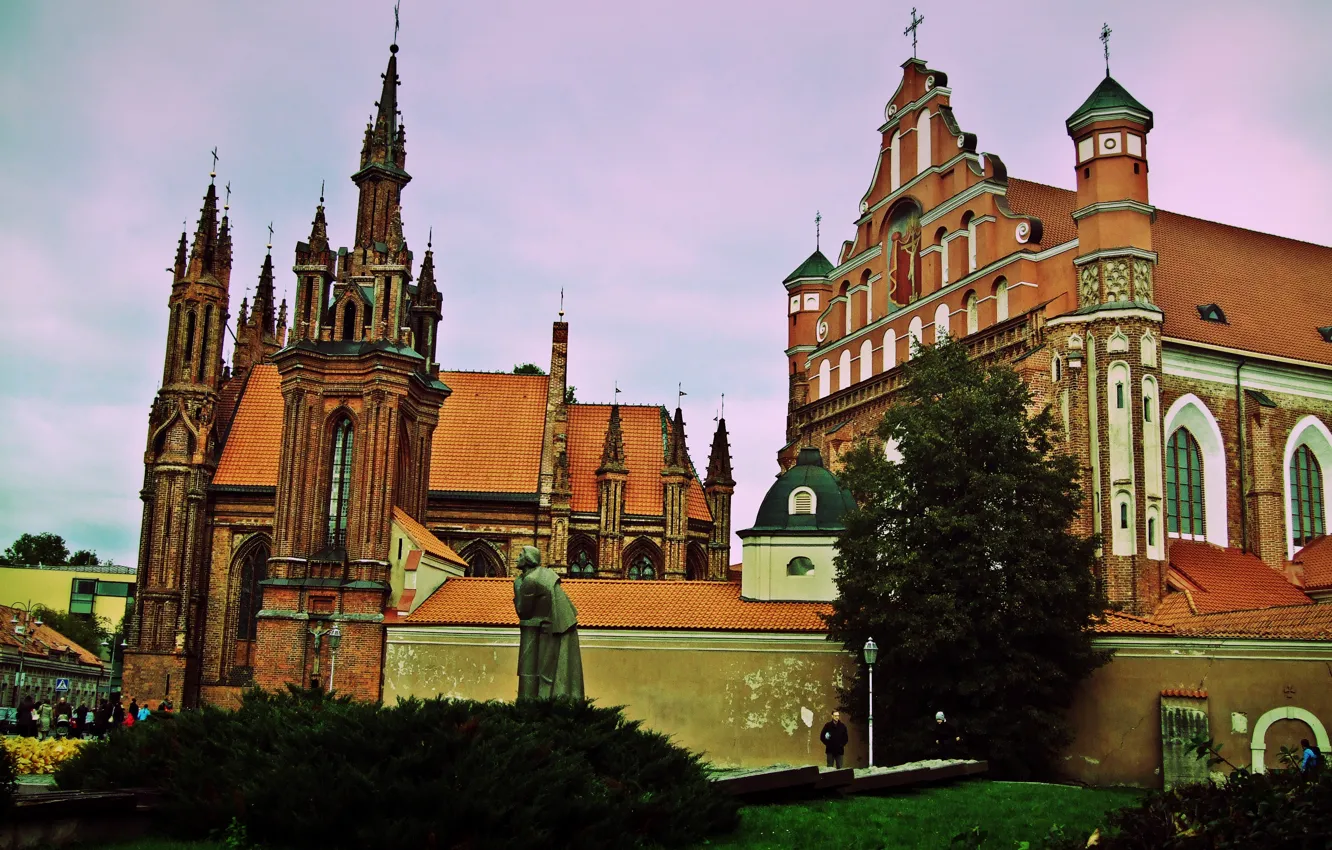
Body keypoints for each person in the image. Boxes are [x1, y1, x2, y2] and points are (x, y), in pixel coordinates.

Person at [513, 546, 584, 700]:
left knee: (545, 669)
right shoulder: (544, 573)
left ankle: (539, 704)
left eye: (520, 555)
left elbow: (523, 612)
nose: (516, 558)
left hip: (554, 626)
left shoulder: (529, 581)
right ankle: (556, 699)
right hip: (562, 622)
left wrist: (517, 588)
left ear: (528, 560)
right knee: (558, 666)